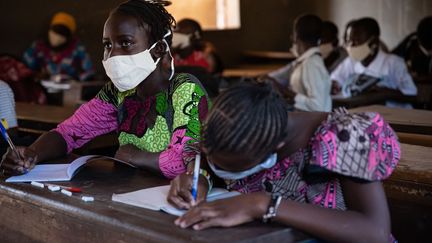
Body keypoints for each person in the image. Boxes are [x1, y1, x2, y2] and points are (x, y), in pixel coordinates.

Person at [1, 0, 211, 179]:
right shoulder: (118, 92)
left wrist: (133, 155)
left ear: (158, 49)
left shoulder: (184, 88)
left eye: (125, 43)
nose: (112, 55)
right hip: (135, 196)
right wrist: (32, 153)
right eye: (108, 45)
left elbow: (186, 160)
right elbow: (69, 132)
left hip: (182, 203)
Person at [168, 82, 399, 242]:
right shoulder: (232, 127)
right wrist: (200, 178)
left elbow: (374, 233)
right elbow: (211, 163)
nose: (220, 168)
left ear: (276, 145)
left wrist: (262, 204)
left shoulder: (344, 135)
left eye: (232, 168)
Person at [331, 17, 417, 107]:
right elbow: (335, 80)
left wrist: (384, 93)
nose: (351, 46)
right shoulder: (351, 62)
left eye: (356, 42)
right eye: (349, 41)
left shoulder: (393, 63)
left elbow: (412, 95)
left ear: (374, 42)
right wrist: (334, 85)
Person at [267, 14, 331, 112]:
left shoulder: (311, 64)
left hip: (313, 125)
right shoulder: (305, 62)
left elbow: (318, 106)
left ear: (295, 37)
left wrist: (283, 90)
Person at [23, 12, 95, 82]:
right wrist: (37, 75)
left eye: (62, 33)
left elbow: (89, 73)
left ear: (69, 36)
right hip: (43, 90)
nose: (57, 35)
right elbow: (24, 69)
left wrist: (76, 81)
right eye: (55, 30)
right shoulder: (38, 48)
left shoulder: (77, 49)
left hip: (68, 89)